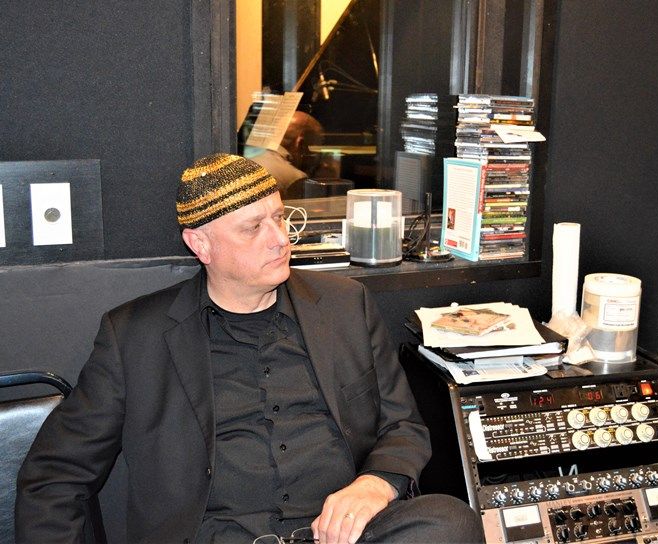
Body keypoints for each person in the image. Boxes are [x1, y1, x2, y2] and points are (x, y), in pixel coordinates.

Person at [16, 153, 484, 544]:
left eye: (279, 217)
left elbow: (402, 425)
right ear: (201, 244)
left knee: (449, 522)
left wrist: (375, 484)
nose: (280, 239)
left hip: (340, 534)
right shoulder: (136, 336)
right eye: (252, 227)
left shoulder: (345, 306)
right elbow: (55, 475)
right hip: (218, 536)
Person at [245, 111, 338, 199]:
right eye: (314, 149)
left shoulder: (246, 158)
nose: (317, 157)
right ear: (300, 144)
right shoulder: (296, 178)